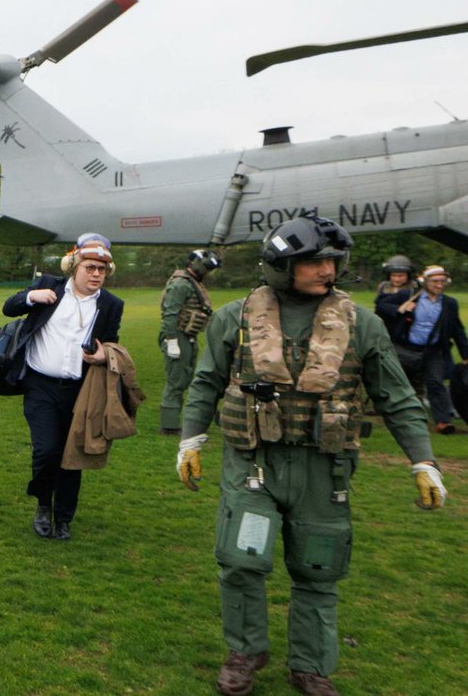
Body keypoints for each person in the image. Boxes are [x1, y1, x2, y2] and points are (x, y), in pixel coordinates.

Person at [174, 215, 447, 696]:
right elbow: (206, 383)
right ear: (281, 266)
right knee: (242, 559)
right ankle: (245, 651)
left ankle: (311, 665)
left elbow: (397, 398)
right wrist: (190, 440)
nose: (328, 270)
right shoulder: (235, 318)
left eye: (333, 261)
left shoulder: (362, 324)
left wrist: (423, 461)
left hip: (324, 469)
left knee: (319, 569)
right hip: (254, 464)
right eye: (315, 262)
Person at [2, 232, 123, 541]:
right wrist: (32, 297)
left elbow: (111, 343)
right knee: (46, 450)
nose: (96, 274)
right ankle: (44, 505)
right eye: (90, 268)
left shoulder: (111, 304)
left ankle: (64, 518)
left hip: (81, 390)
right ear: (74, 266)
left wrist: (103, 355)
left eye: (102, 269)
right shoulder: (49, 287)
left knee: (72, 457)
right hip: (40, 385)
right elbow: (9, 307)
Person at [392, 265, 468, 434]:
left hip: (433, 351)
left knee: (436, 383)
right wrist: (399, 309)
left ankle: (443, 422)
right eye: (435, 281)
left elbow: (457, 330)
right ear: (425, 281)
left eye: (442, 281)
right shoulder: (409, 296)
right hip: (406, 349)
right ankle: (399, 417)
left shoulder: (449, 303)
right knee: (400, 382)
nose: (439, 285)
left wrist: (466, 355)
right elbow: (381, 304)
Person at [158, 248, 221, 435]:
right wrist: (172, 341)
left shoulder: (192, 282)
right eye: (207, 268)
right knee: (176, 381)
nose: (208, 273)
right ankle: (169, 426)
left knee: (186, 378)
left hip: (187, 336)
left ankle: (182, 420)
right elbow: (170, 315)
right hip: (177, 336)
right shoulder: (181, 284)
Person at [373, 255, 424, 394]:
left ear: (408, 275)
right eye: (393, 275)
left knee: (410, 361)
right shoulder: (384, 287)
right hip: (386, 325)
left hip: (405, 328)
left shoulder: (414, 288)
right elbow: (379, 306)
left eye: (400, 276)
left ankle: (417, 390)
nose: (396, 279)